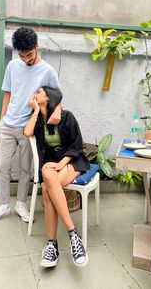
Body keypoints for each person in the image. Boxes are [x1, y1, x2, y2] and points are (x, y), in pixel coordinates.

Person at [0, 27, 61, 224]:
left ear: (37, 46)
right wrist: (2, 120)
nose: (25, 59)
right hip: (8, 125)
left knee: (26, 169)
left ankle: (21, 204)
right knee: (2, 167)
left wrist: (55, 113)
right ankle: (2, 205)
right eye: (21, 55)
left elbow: (56, 97)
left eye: (29, 54)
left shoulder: (48, 71)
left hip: (28, 127)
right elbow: (7, 94)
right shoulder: (12, 66)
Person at [24, 86, 90, 268]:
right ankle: (73, 235)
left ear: (48, 97)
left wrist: (62, 164)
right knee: (47, 174)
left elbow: (77, 145)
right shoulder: (38, 120)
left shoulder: (67, 116)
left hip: (72, 162)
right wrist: (36, 110)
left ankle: (53, 244)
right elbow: (27, 133)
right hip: (51, 165)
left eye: (39, 92)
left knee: (47, 189)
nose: (34, 94)